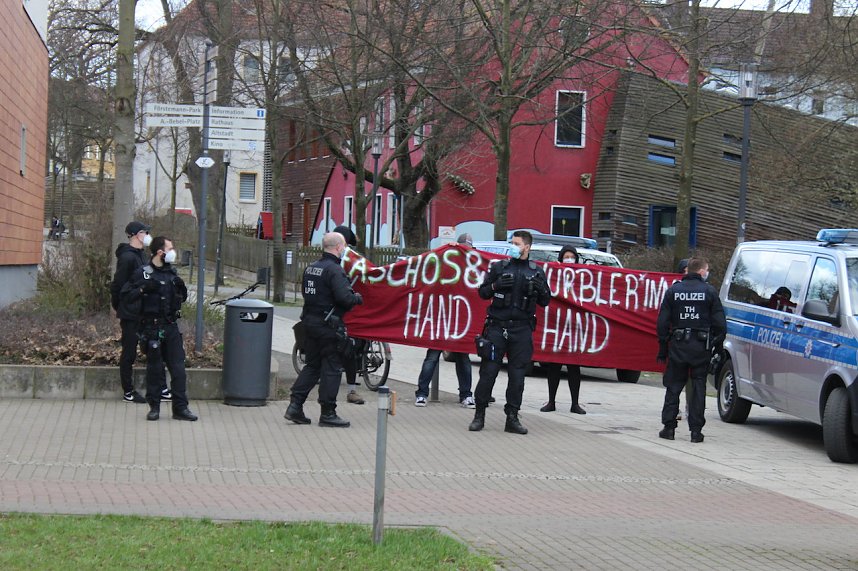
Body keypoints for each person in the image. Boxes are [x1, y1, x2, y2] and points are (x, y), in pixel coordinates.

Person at [468, 230, 551, 435]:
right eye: (511, 242)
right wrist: (496, 284)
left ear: (527, 247)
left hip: (522, 330)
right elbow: (483, 292)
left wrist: (541, 289)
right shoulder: (499, 267)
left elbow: (545, 301)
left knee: (517, 377)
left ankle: (512, 417)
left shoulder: (536, 271)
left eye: (517, 243)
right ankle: (479, 415)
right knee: (488, 372)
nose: (513, 246)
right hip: (497, 327)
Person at [285, 232, 363, 427]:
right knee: (332, 368)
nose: (345, 250)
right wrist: (357, 298)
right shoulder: (334, 270)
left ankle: (295, 405)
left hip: (310, 323)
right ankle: (328, 412)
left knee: (312, 365)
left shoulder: (312, 268)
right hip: (329, 327)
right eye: (344, 247)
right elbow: (344, 298)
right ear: (338, 247)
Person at [121, 237, 197, 422]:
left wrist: (182, 291)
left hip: (170, 327)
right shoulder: (143, 273)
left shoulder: (172, 273)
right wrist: (142, 290)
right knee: (154, 370)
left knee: (179, 370)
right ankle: (154, 407)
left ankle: (180, 408)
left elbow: (180, 300)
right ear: (160, 252)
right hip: (151, 328)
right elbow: (126, 296)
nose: (173, 251)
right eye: (170, 248)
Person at [656, 257, 726, 443]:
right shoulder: (710, 292)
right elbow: (720, 324)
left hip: (678, 346)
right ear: (702, 271)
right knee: (698, 388)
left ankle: (669, 428)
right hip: (701, 348)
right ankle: (696, 432)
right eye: (707, 269)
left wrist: (663, 348)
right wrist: (717, 348)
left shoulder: (673, 291)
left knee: (673, 386)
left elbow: (662, 323)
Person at [110, 221, 170, 404]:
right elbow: (118, 285)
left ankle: (161, 388)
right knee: (129, 351)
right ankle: (128, 391)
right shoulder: (128, 258)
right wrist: (121, 305)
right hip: (131, 313)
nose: (148, 235)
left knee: (154, 349)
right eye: (145, 232)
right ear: (136, 235)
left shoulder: (143, 256)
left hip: (146, 312)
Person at [541, 246, 585, 415]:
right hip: (556, 327)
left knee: (574, 368)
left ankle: (575, 403)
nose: (569, 259)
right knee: (554, 367)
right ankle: (551, 401)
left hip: (574, 329)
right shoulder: (554, 275)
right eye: (565, 256)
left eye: (571, 256)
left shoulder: (583, 277)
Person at [332, 224, 366, 405]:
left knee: (350, 352)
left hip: (344, 313)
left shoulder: (350, 261)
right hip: (338, 315)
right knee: (344, 353)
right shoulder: (336, 265)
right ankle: (348, 391)